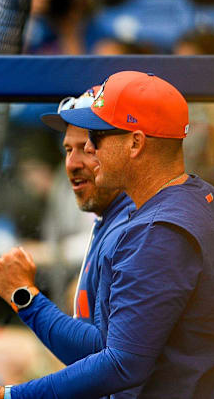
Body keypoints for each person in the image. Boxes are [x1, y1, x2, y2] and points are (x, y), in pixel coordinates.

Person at [0, 71, 214, 398]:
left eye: (98, 137)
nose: (90, 149)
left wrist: (13, 395)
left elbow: (121, 364)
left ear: (135, 142)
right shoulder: (211, 202)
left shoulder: (158, 231)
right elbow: (109, 347)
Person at [38, 87, 134, 327]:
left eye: (86, 149)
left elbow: (109, 356)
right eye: (68, 150)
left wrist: (25, 297)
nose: (71, 164)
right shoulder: (108, 220)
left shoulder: (137, 228)